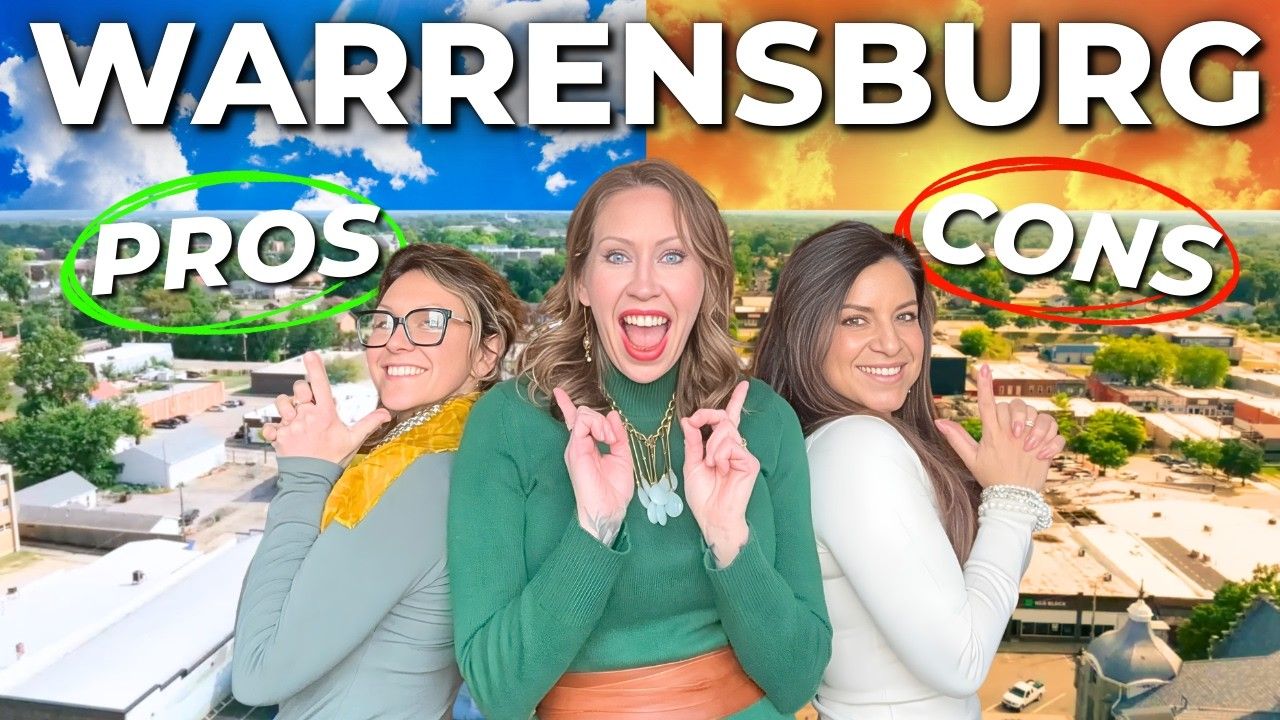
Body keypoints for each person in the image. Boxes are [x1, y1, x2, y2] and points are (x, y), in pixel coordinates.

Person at [448, 159, 832, 720]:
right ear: (582, 281)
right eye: (617, 256)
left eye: (673, 256)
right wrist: (594, 530)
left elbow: (799, 678)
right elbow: (497, 691)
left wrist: (729, 539)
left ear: (708, 278)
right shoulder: (508, 423)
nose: (645, 285)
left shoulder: (762, 419)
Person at [753, 222, 1064, 720]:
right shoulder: (857, 448)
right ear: (804, 332)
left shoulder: (835, 442)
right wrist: (1011, 500)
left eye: (905, 316)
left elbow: (976, 591)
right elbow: (961, 662)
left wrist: (1008, 477)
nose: (891, 343)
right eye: (855, 320)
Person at [231, 244, 524, 719]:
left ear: (486, 354)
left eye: (429, 322)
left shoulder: (419, 481)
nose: (395, 342)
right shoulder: (469, 458)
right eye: (384, 322)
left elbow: (256, 673)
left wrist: (305, 478)